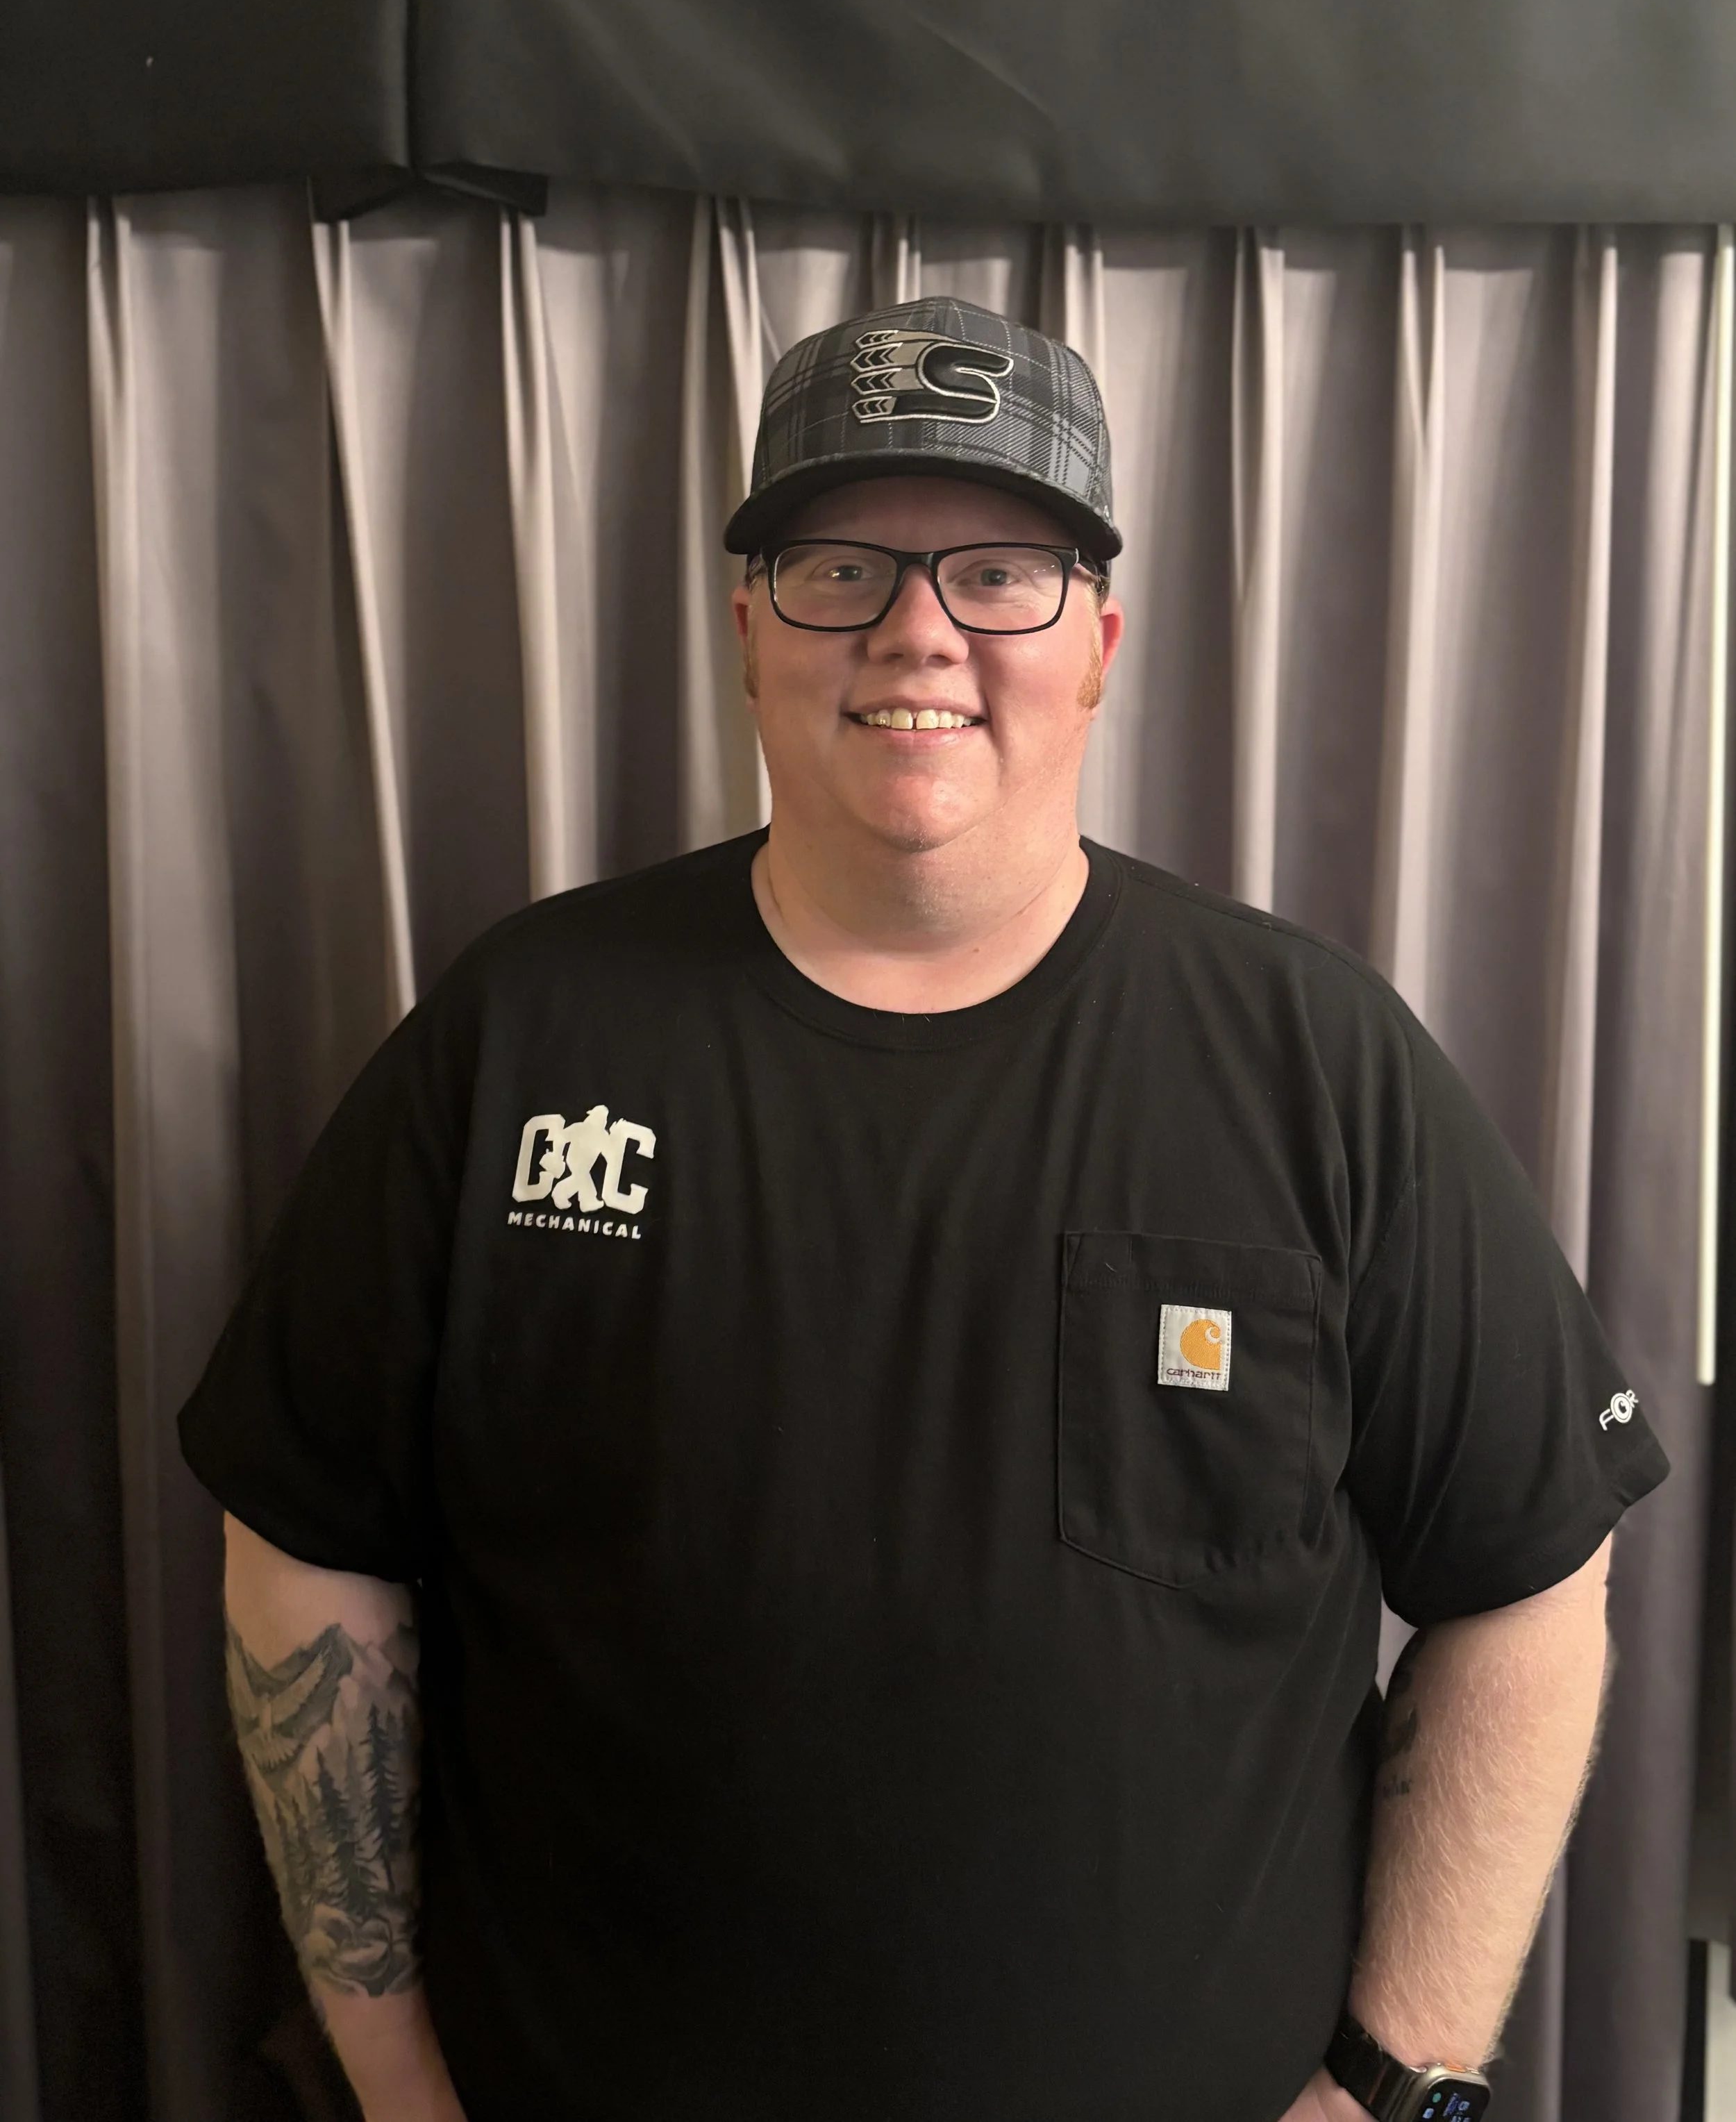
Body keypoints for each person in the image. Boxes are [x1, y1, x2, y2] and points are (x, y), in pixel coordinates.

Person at [182, 296, 1667, 2122]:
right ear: (746, 628)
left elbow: (1526, 1573)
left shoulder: (1317, 1064)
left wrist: (1391, 2077)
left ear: (1098, 644)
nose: (914, 632)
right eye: (837, 566)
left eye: (997, 572)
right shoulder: (519, 1034)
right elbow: (305, 1537)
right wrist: (394, 2073)